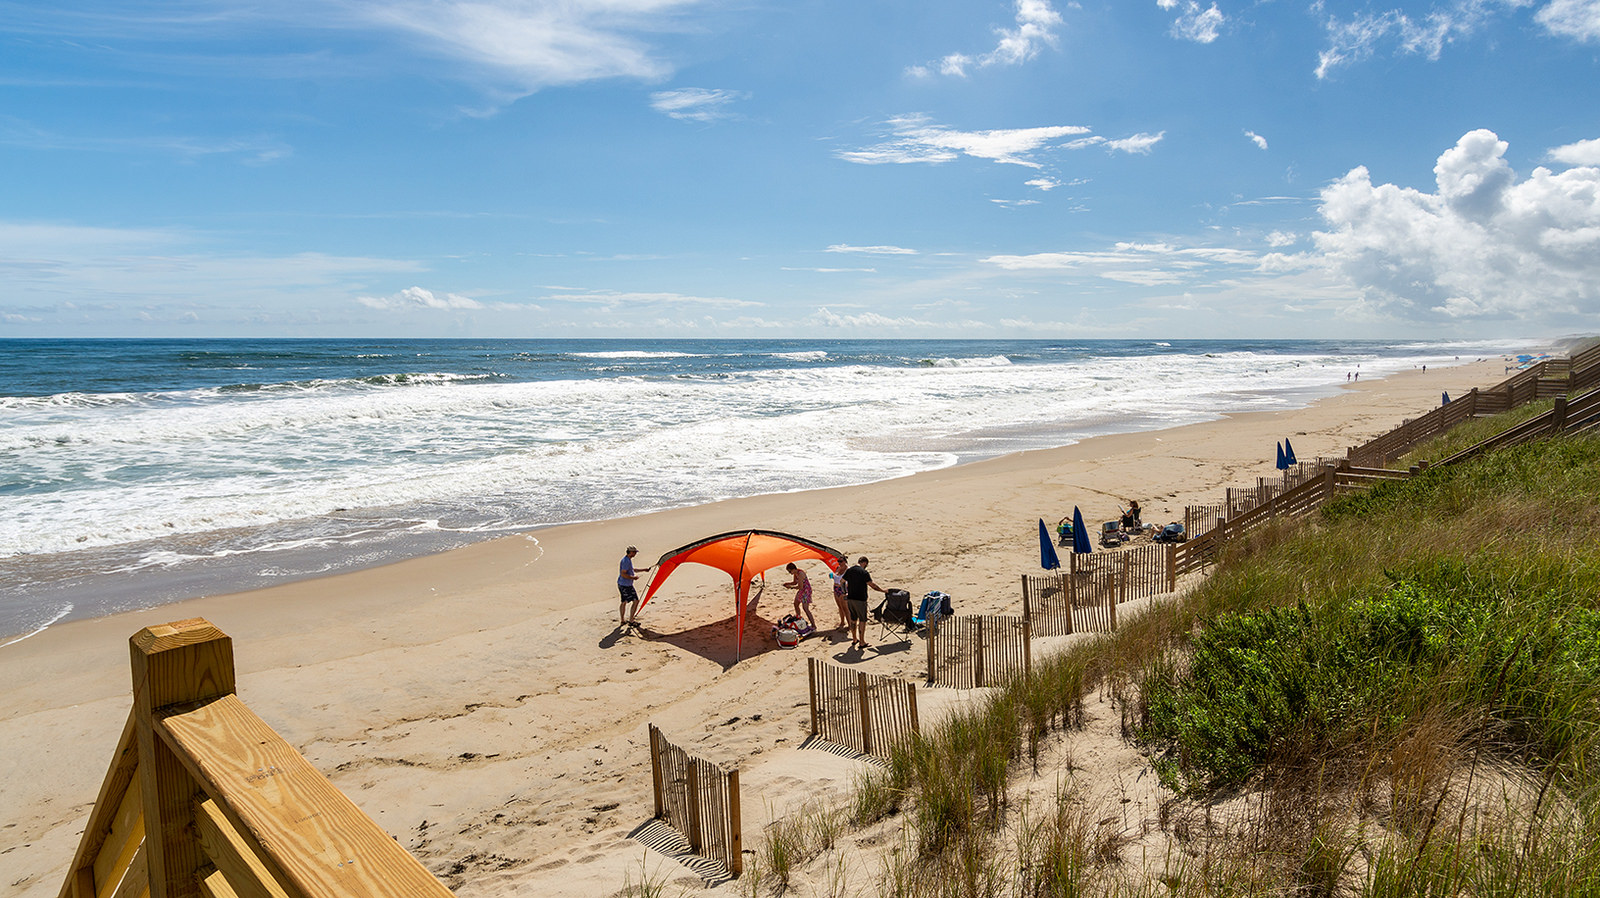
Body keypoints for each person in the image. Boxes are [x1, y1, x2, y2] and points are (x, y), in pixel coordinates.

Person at [841, 556, 886, 649]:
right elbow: (872, 585)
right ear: (864, 563)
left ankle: (854, 639)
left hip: (850, 598)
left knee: (853, 619)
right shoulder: (864, 572)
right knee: (862, 620)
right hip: (860, 600)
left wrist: (845, 592)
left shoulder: (850, 570)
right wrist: (882, 590)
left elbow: (842, 581)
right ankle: (862, 641)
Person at [617, 546, 652, 629]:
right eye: (634, 552)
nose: (635, 554)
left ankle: (624, 620)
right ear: (631, 552)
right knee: (634, 601)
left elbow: (632, 570)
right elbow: (623, 574)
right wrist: (633, 578)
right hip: (625, 585)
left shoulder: (627, 560)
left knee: (625, 601)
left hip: (625, 584)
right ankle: (631, 620)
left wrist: (644, 570)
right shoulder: (626, 561)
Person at [783, 562, 815, 631]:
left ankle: (813, 625)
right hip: (801, 591)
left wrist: (791, 587)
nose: (790, 573)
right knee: (796, 604)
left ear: (793, 569)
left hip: (806, 591)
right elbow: (794, 582)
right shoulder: (796, 573)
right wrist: (787, 583)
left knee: (805, 608)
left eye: (790, 571)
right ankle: (799, 619)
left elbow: (800, 586)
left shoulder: (800, 574)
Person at [829, 565, 850, 630]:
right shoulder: (837, 571)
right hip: (836, 589)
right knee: (840, 607)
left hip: (842, 589)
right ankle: (842, 622)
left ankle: (850, 624)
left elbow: (847, 582)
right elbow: (834, 578)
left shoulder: (846, 572)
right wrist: (832, 576)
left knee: (845, 608)